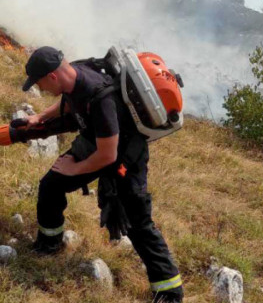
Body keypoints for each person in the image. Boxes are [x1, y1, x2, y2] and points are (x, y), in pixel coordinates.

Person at [20, 46, 184, 302]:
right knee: (51, 185)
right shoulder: (74, 74)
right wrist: (40, 117)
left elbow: (108, 156)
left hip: (125, 156)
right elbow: (68, 103)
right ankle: (49, 243)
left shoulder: (101, 98)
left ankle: (170, 291)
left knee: (137, 222)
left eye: (40, 84)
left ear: (53, 76)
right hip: (96, 140)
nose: (41, 90)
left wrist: (74, 168)